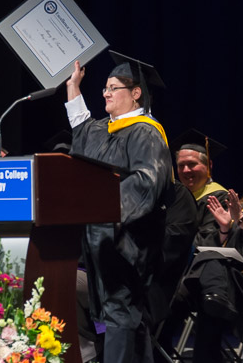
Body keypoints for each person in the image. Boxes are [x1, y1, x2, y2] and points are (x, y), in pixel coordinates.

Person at [66, 51, 172, 363]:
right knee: (124, 319)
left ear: (136, 93)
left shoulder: (145, 132)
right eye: (105, 89)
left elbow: (146, 182)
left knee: (121, 315)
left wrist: (102, 207)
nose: (106, 94)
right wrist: (74, 86)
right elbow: (81, 129)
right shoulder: (104, 128)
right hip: (103, 240)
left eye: (114, 88)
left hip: (128, 244)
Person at [182, 158, 243, 363]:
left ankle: (211, 296)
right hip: (232, 274)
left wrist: (240, 220)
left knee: (209, 285)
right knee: (210, 264)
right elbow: (228, 242)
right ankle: (214, 297)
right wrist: (225, 228)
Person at [171, 129, 229, 246]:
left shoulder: (218, 197)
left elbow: (207, 239)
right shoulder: (173, 197)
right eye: (181, 165)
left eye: (192, 164)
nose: (185, 170)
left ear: (208, 165)